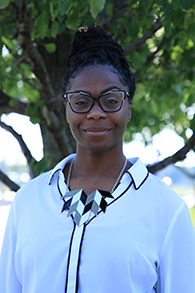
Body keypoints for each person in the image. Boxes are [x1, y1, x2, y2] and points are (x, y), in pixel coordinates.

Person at [0, 24, 195, 293]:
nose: (95, 113)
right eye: (81, 102)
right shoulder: (28, 201)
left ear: (128, 107)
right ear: (67, 108)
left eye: (111, 100)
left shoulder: (167, 210)